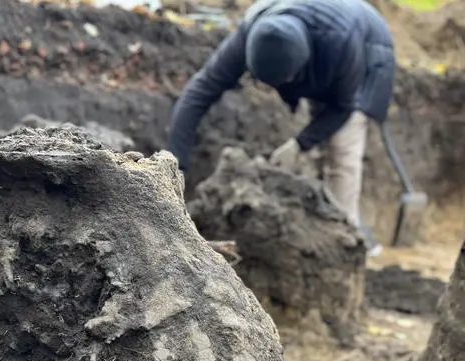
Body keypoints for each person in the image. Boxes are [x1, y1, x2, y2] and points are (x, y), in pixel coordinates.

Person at [167, 0, 395, 255]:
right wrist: (175, 166)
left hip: (367, 47)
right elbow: (199, 92)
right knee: (314, 149)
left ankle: (345, 245)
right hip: (321, 49)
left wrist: (300, 144)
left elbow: (343, 108)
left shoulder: (340, 45)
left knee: (342, 150)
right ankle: (315, 227)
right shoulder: (250, 34)